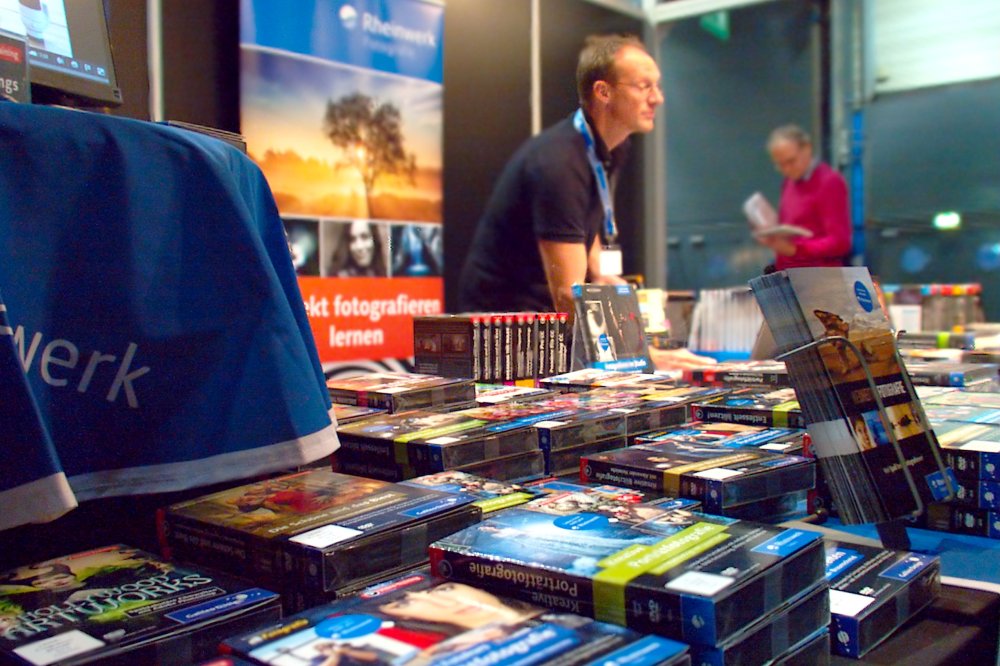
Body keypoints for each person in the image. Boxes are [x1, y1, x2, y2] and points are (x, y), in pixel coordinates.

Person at [458, 33, 661, 316]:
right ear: (603, 92)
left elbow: (583, 216)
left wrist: (600, 272)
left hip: (541, 313)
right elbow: (568, 296)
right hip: (501, 321)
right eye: (644, 86)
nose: (657, 98)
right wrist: (638, 337)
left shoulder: (612, 148)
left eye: (657, 86)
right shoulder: (560, 162)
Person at [759, 124, 852, 270]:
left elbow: (840, 242)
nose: (787, 169)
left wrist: (797, 249)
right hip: (789, 272)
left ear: (807, 149)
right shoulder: (789, 182)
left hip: (819, 275)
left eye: (791, 161)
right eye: (780, 165)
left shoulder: (829, 182)